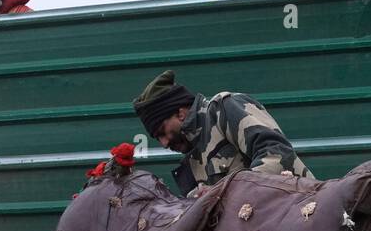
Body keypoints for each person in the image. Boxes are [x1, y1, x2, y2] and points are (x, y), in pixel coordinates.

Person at [132, 70, 313, 195]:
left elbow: (277, 154)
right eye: (157, 139)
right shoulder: (192, 159)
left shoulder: (223, 110)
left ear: (180, 113)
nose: (164, 143)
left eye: (162, 132)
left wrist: (223, 195)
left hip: (303, 215)